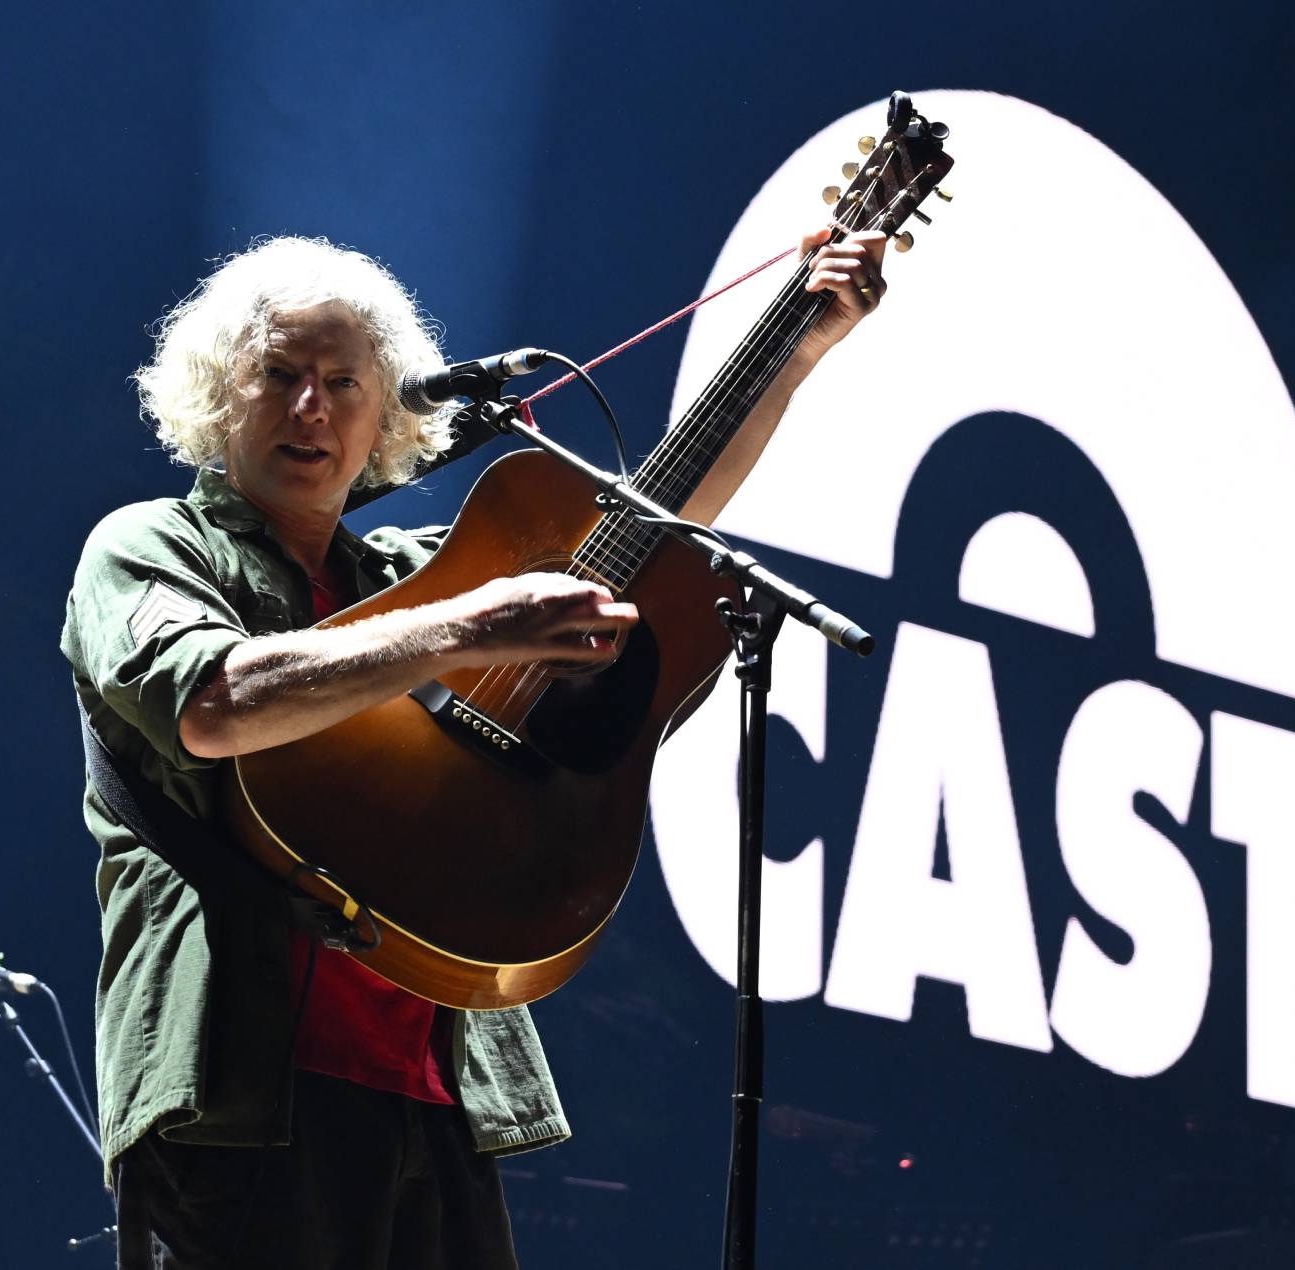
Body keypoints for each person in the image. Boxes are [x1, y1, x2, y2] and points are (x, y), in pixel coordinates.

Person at [62, 227, 887, 1269]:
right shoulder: (149, 547)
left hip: (434, 1090)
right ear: (220, 397)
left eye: (343, 382)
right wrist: (464, 630)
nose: (311, 407)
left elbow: (650, 525)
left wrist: (797, 347)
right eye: (278, 375)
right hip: (234, 1093)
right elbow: (214, 701)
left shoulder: (409, 573)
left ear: (386, 421)